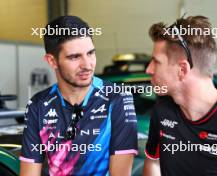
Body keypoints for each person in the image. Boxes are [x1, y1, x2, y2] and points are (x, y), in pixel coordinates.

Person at [143, 15, 217, 176]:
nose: (149, 69)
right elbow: (153, 161)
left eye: (156, 62)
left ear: (182, 70)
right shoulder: (162, 111)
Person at [20, 15, 138, 176]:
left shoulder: (117, 98)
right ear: (52, 61)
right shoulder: (37, 105)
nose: (87, 65)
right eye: (75, 57)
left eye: (90, 53)